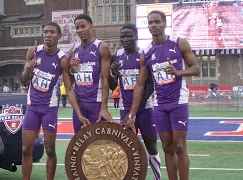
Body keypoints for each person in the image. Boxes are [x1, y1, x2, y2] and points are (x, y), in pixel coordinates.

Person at [123, 11, 200, 180]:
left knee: (179, 146)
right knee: (166, 146)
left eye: (157, 22)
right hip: (160, 104)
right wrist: (132, 114)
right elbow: (140, 85)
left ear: (164, 24)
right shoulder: (147, 53)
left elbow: (196, 68)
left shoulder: (179, 43)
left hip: (178, 101)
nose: (153, 25)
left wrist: (178, 72)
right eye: (150, 23)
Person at [20, 22, 90, 180]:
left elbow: (69, 88)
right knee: (25, 149)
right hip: (32, 107)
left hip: (49, 108)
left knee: (50, 150)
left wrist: (78, 113)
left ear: (59, 36)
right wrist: (27, 68)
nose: (48, 35)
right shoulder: (33, 52)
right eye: (45, 32)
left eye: (52, 32)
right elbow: (24, 81)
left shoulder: (62, 59)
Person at [109, 24, 161, 180]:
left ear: (136, 37)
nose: (125, 39)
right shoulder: (117, 56)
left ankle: (157, 177)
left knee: (151, 146)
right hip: (125, 109)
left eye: (128, 36)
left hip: (145, 108)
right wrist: (114, 73)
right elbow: (113, 86)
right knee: (127, 148)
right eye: (122, 36)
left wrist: (136, 108)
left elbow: (151, 85)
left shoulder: (145, 54)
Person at [68, 14, 114, 133]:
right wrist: (72, 69)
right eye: (77, 28)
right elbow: (69, 82)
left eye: (83, 26)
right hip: (80, 104)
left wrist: (104, 107)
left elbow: (105, 79)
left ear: (91, 26)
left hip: (96, 103)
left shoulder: (101, 47)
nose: (80, 30)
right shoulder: (73, 50)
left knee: (99, 143)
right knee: (80, 142)